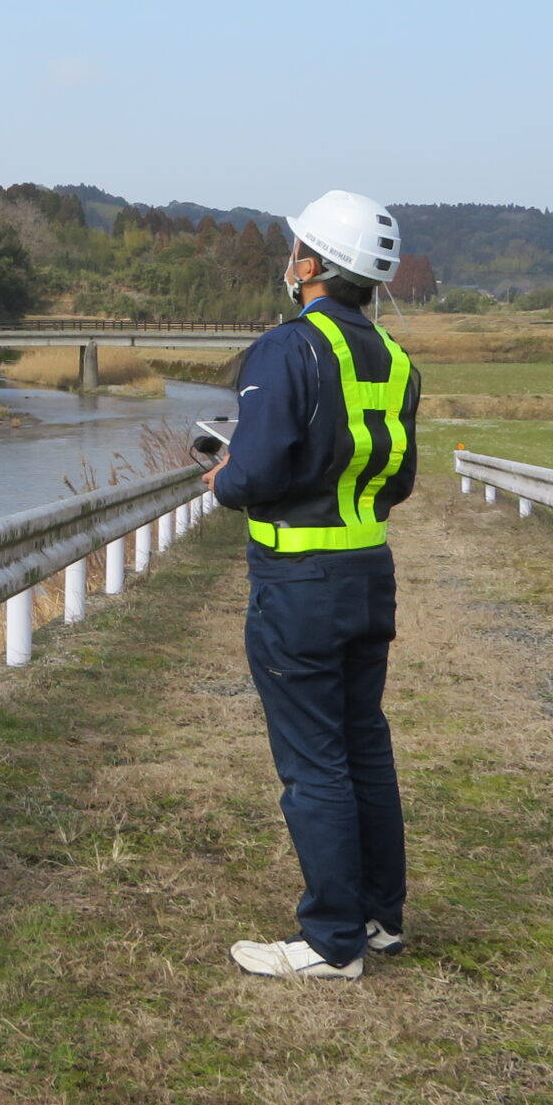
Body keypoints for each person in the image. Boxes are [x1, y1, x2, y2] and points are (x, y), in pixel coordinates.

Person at [206, 189, 420, 980]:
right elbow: (397, 478)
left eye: (297, 249)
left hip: (298, 580)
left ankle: (331, 943)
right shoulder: (397, 361)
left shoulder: (287, 349)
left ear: (312, 266)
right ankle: (377, 918)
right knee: (364, 743)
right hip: (370, 573)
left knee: (314, 761)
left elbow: (254, 470)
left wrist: (225, 478)